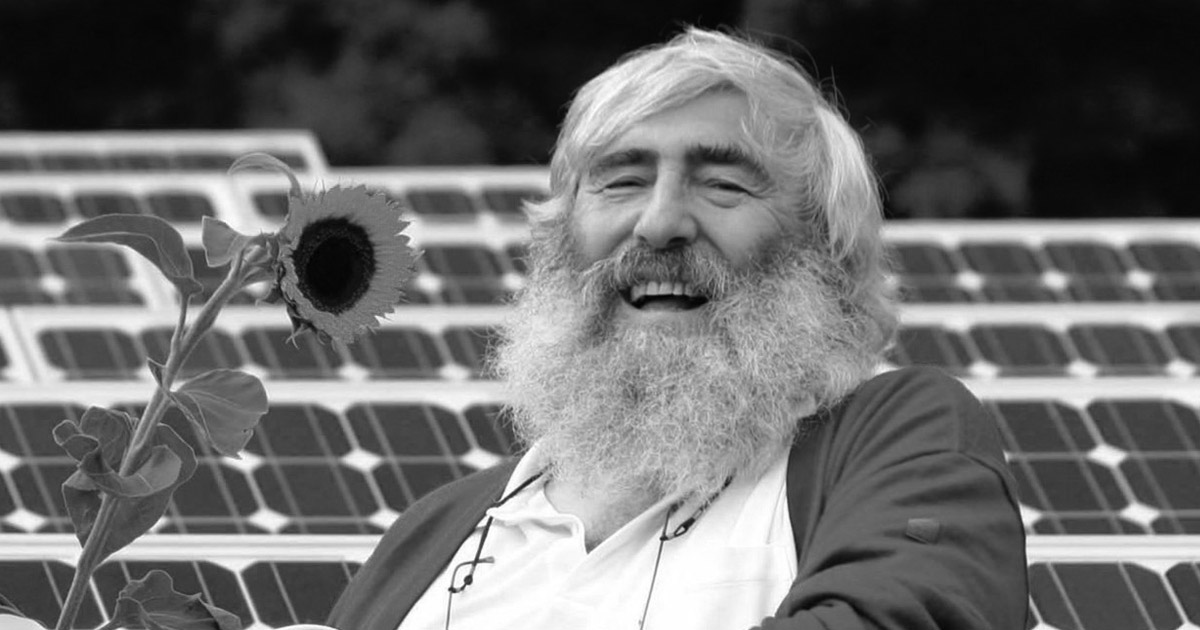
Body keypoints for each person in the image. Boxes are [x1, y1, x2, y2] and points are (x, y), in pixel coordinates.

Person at [329, 27, 1029, 630]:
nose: (660, 222)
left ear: (827, 248)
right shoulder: (438, 531)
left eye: (723, 184)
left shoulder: (893, 438)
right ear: (556, 239)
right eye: (621, 181)